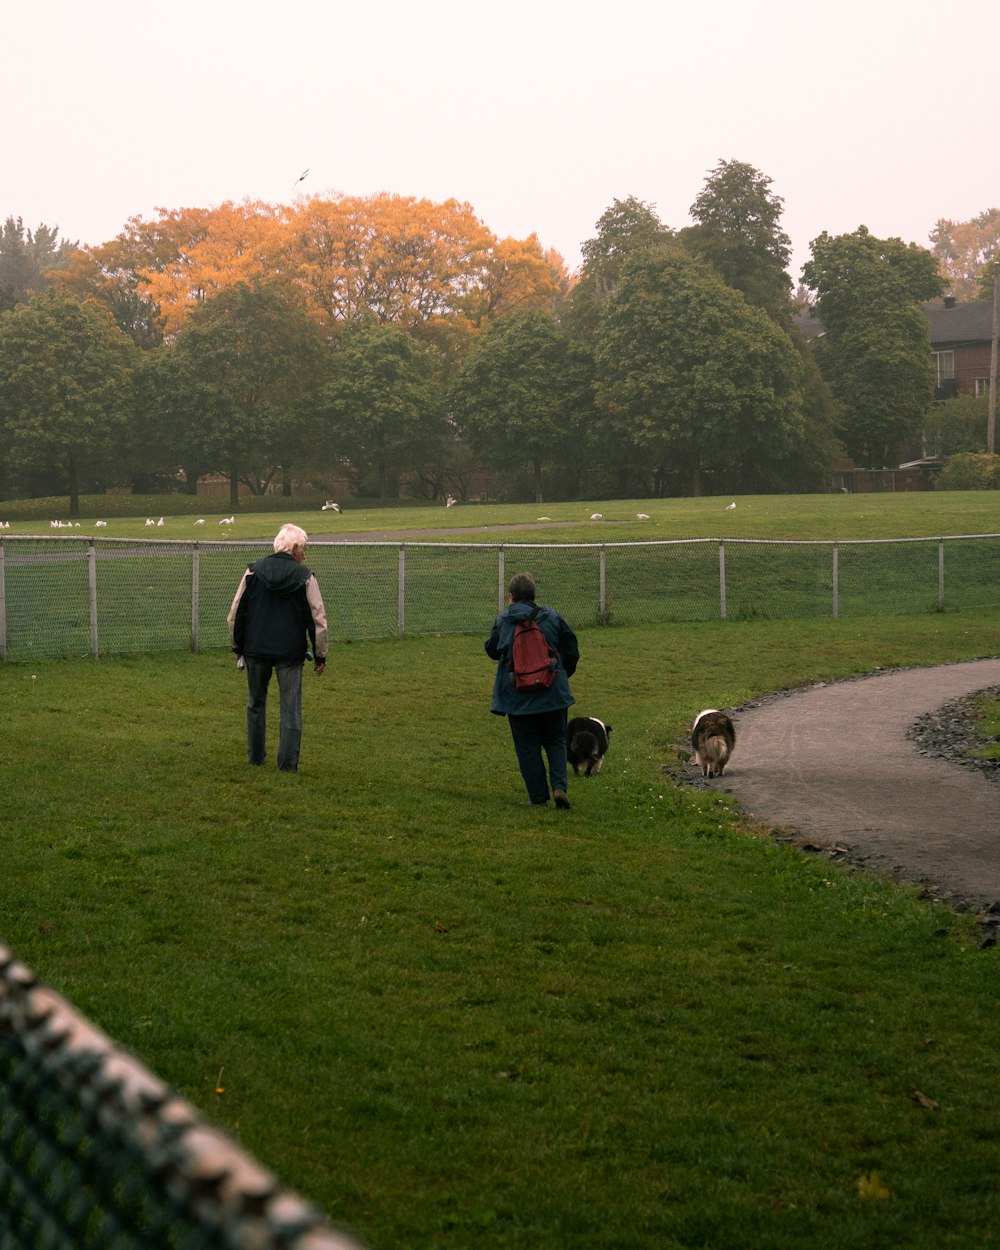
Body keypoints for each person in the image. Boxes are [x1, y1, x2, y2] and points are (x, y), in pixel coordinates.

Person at [227, 523, 328, 772]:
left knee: (255, 703)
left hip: (256, 648)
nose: (305, 553)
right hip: (290, 652)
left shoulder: (253, 571)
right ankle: (287, 765)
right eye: (303, 548)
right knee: (291, 708)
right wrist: (320, 654)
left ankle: (256, 758)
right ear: (294, 548)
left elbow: (236, 613)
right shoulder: (305, 576)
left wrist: (238, 646)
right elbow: (318, 618)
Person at [485, 571, 579, 808]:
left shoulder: (504, 620)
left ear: (511, 597)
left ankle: (538, 798)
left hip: (518, 697)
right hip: (553, 693)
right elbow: (571, 646)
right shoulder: (551, 616)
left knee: (527, 747)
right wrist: (562, 673)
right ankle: (559, 787)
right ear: (533, 595)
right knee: (556, 740)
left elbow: (492, 650)